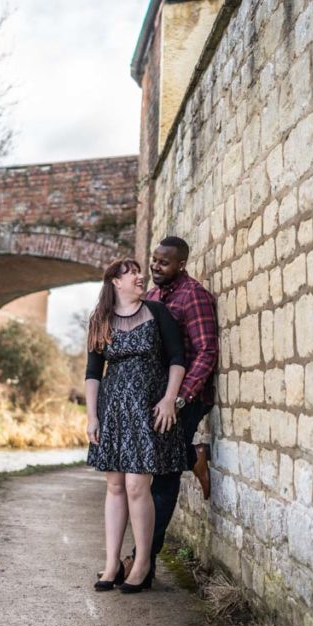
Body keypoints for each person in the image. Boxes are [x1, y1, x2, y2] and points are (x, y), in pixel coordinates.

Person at [85, 258, 187, 594]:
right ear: (115, 281)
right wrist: (92, 417)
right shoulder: (100, 319)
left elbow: (177, 359)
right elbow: (92, 373)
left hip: (148, 410)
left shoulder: (157, 313)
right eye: (131, 273)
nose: (140, 276)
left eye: (139, 272)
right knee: (114, 486)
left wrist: (170, 398)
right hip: (112, 411)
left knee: (136, 487)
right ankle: (112, 563)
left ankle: (142, 562)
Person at [134, 235, 219, 581]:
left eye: (163, 262)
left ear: (181, 264)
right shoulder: (151, 297)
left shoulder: (193, 296)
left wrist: (180, 400)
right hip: (157, 400)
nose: (155, 266)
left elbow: (206, 352)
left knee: (163, 479)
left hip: (187, 400)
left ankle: (144, 563)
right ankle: (194, 453)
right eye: (154, 260)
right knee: (144, 476)